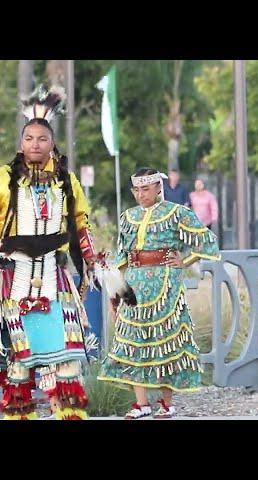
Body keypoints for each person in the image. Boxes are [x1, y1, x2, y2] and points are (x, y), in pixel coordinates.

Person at [0, 85, 97, 420]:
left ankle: (68, 414)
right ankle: (21, 415)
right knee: (19, 361)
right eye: (29, 139)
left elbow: (81, 223)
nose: (34, 145)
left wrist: (92, 260)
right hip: (15, 278)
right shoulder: (1, 179)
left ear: (52, 142)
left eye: (41, 139)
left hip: (54, 276)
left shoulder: (66, 181)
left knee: (66, 358)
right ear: (21, 143)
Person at [98, 167, 220, 419]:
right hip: (134, 284)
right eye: (137, 190)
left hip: (165, 285)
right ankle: (141, 404)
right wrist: (115, 291)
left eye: (146, 189)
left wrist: (185, 261)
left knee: (166, 341)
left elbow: (207, 241)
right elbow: (122, 255)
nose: (141, 195)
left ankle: (166, 403)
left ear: (157, 188)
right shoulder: (127, 217)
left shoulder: (176, 213)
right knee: (133, 341)